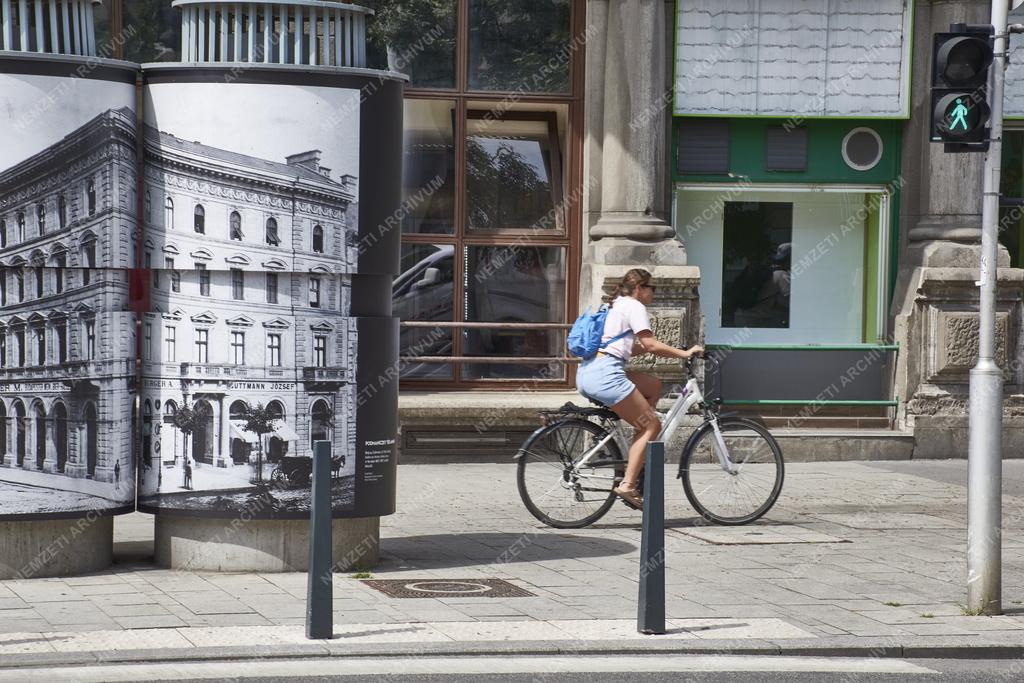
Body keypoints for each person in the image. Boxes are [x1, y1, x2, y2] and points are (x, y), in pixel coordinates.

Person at [575, 268, 703, 507]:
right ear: (639, 288)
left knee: (654, 386)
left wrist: (654, 347)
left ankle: (640, 450)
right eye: (651, 287)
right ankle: (628, 485)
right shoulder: (634, 306)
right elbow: (651, 344)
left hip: (589, 372)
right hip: (607, 376)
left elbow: (629, 348)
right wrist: (684, 353)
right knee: (651, 424)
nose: (653, 292)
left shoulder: (614, 305)